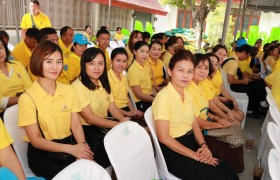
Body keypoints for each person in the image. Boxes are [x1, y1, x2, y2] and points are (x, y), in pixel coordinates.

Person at [152, 49, 238, 180]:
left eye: (189, 71)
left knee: (229, 171)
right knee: (222, 176)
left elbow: (194, 124)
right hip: (175, 152)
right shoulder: (164, 97)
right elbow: (164, 137)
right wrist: (195, 156)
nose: (185, 76)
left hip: (191, 142)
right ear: (170, 71)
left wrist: (204, 146)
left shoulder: (186, 93)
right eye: (180, 70)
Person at [18, 41, 93, 180]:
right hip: (43, 154)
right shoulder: (27, 98)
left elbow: (75, 124)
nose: (55, 67)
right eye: (49, 61)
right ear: (38, 62)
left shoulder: (69, 90)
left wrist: (81, 147)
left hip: (69, 145)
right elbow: (36, 140)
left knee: (90, 170)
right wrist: (73, 150)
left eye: (59, 62)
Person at [72, 47, 129, 168]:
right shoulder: (77, 86)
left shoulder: (102, 81)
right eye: (91, 63)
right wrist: (118, 125)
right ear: (84, 65)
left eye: (100, 63)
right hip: (87, 131)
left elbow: (112, 107)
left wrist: (122, 120)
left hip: (104, 125)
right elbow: (90, 118)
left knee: (129, 141)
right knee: (115, 150)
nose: (97, 68)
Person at [188, 54, 244, 173]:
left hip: (206, 123)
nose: (203, 71)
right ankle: (230, 170)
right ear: (191, 68)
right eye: (199, 67)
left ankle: (234, 169)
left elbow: (204, 111)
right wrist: (220, 124)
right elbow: (197, 122)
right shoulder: (189, 89)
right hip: (196, 131)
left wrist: (217, 119)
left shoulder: (199, 86)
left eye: (206, 68)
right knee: (233, 139)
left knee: (236, 132)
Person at [195, 53, 244, 124]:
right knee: (237, 120)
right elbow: (212, 107)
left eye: (206, 68)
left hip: (211, 108)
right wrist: (226, 118)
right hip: (208, 112)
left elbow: (216, 99)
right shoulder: (203, 82)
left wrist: (228, 111)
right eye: (199, 67)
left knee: (240, 114)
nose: (214, 67)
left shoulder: (208, 80)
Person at [222, 44, 267, 118]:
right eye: (247, 55)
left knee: (256, 83)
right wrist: (242, 81)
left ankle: (256, 107)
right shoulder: (233, 62)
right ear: (243, 52)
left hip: (233, 83)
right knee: (254, 86)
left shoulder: (233, 59)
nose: (247, 57)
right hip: (232, 86)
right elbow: (230, 80)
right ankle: (252, 109)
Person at [0, 37, 32, 119]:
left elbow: (30, 87)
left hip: (26, 107)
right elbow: (1, 102)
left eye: (1, 47)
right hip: (4, 114)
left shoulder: (17, 65)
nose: (0, 52)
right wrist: (24, 98)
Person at [108, 47, 143, 117]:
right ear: (111, 61)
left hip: (125, 109)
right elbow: (109, 105)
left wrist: (133, 111)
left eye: (124, 61)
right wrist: (127, 113)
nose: (121, 64)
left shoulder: (123, 76)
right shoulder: (107, 78)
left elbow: (126, 98)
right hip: (114, 111)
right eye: (118, 61)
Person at [127, 41, 155, 113]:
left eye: (147, 52)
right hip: (140, 102)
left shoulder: (146, 66)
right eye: (142, 51)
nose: (145, 55)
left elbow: (149, 87)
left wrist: (158, 95)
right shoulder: (133, 70)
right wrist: (155, 99)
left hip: (149, 97)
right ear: (135, 52)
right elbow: (139, 95)